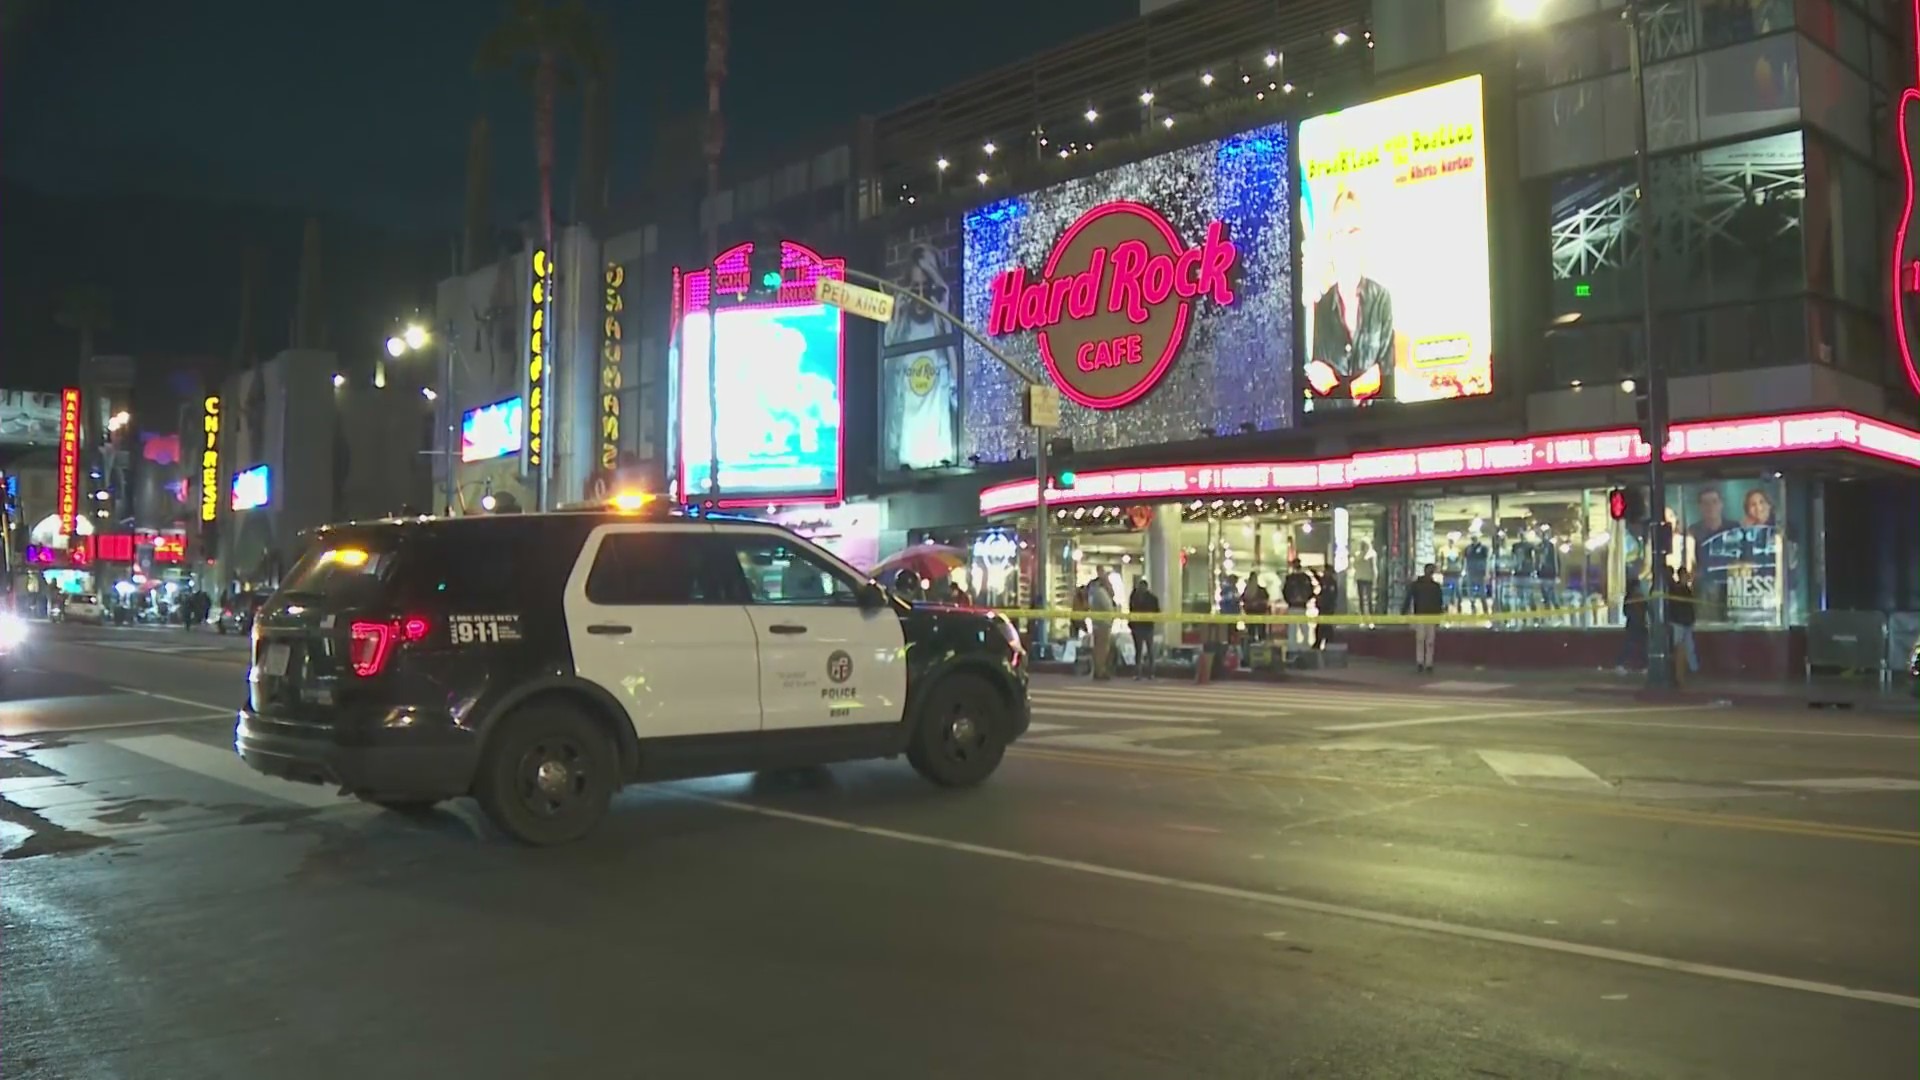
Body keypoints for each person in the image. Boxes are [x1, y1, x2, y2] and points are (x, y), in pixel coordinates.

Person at [1305, 188, 1397, 408]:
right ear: (1330, 243)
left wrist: (1339, 389)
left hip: (1380, 431)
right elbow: (1316, 389)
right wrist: (1357, 389)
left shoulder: (1382, 299)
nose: (1346, 241)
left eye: (1353, 231)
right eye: (1339, 233)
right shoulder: (1319, 308)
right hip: (1331, 435)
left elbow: (1385, 382)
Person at [1402, 562, 1444, 673]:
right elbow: (1439, 603)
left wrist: (1403, 612)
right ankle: (1426, 663)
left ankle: (1422, 662)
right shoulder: (1434, 586)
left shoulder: (1418, 585)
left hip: (1422, 615)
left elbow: (1408, 598)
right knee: (1428, 641)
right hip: (1429, 616)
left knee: (1422, 640)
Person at [1668, 566, 1699, 683]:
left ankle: (1693, 669)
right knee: (1679, 646)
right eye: (1686, 575)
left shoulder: (1685, 589)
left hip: (1685, 622)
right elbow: (1679, 607)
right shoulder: (1676, 589)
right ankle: (1681, 671)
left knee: (1689, 646)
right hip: (1679, 622)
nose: (1687, 577)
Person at [1280, 560, 1316, 655]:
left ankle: (1293, 647)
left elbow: (1285, 592)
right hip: (1301, 606)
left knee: (1293, 628)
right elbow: (1311, 592)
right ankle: (1305, 645)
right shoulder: (1305, 578)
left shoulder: (1290, 578)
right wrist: (1305, 600)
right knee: (1304, 627)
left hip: (1293, 606)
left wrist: (1290, 601)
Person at [1128, 578, 1161, 681]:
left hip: (1146, 626)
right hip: (1140, 627)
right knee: (1140, 650)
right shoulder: (1135, 597)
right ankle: (1141, 673)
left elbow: (1156, 611)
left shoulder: (1150, 598)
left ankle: (1149, 673)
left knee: (1147, 650)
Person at [1615, 577, 1649, 673]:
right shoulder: (1639, 597)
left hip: (1634, 624)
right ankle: (1643, 666)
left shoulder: (1630, 597)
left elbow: (1625, 612)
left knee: (1634, 646)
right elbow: (1646, 609)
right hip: (1638, 624)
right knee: (1639, 646)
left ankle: (1622, 665)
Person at [1086, 575, 1116, 681]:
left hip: (1098, 623)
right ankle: (1100, 670)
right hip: (1103, 624)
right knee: (1102, 649)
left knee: (1098, 648)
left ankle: (1098, 669)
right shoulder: (1100, 593)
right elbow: (1108, 608)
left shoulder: (1092, 593)